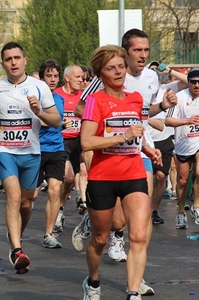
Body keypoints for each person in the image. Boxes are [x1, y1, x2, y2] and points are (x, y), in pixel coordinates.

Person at [73, 28, 177, 296]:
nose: (119, 72)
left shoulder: (138, 95)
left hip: (134, 169)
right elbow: (86, 140)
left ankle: (133, 289)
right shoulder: (96, 98)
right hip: (103, 174)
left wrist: (145, 146)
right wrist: (119, 134)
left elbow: (137, 124)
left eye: (121, 67)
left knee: (139, 234)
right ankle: (93, 281)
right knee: (101, 237)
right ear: (101, 73)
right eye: (112, 68)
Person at [0, 42, 61, 274]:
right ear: (3, 63)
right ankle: (16, 250)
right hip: (5, 150)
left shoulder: (39, 87)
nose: (13, 62)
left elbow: (56, 121)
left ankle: (16, 236)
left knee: (26, 203)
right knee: (13, 196)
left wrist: (39, 113)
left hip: (31, 153)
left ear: (25, 60)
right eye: (8, 59)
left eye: (17, 58)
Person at [147, 63, 188, 224]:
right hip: (146, 141)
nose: (154, 74)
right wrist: (146, 118)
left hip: (164, 140)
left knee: (161, 177)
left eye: (156, 71)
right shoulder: (140, 91)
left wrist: (170, 71)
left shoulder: (166, 88)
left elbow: (188, 81)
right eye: (151, 70)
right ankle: (141, 210)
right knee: (146, 178)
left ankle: (153, 211)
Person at [34, 59, 66, 248]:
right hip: (36, 149)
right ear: (42, 77)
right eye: (49, 75)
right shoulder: (34, 97)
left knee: (55, 191)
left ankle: (49, 234)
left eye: (55, 76)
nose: (53, 79)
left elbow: (57, 121)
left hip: (56, 148)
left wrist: (54, 121)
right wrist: (52, 120)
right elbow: (40, 121)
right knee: (31, 196)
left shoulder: (59, 99)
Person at [165, 68, 199, 228]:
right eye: (193, 82)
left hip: (198, 142)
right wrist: (186, 121)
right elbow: (168, 121)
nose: (197, 85)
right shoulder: (179, 97)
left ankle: (196, 206)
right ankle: (180, 211)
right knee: (183, 180)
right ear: (189, 83)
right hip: (183, 143)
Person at [54, 65, 85, 230]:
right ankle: (58, 209)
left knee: (84, 173)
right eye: (78, 77)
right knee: (69, 178)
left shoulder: (83, 96)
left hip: (79, 140)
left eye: (82, 77)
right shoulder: (57, 95)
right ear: (67, 78)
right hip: (62, 141)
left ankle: (82, 200)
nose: (81, 80)